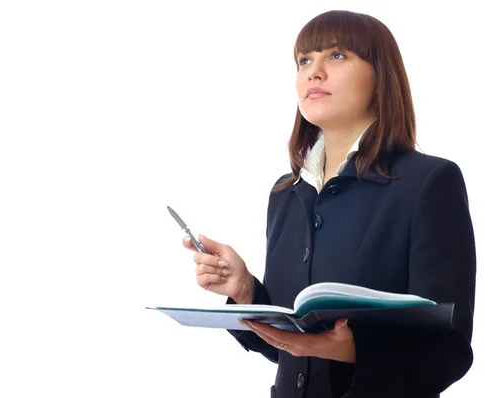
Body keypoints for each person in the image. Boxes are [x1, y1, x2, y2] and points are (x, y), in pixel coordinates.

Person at [183, 9, 476, 398]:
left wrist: (355, 351)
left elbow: (448, 348)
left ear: (380, 77)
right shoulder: (286, 194)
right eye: (305, 60)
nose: (313, 72)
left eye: (336, 56)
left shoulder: (429, 182)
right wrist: (246, 293)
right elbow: (289, 348)